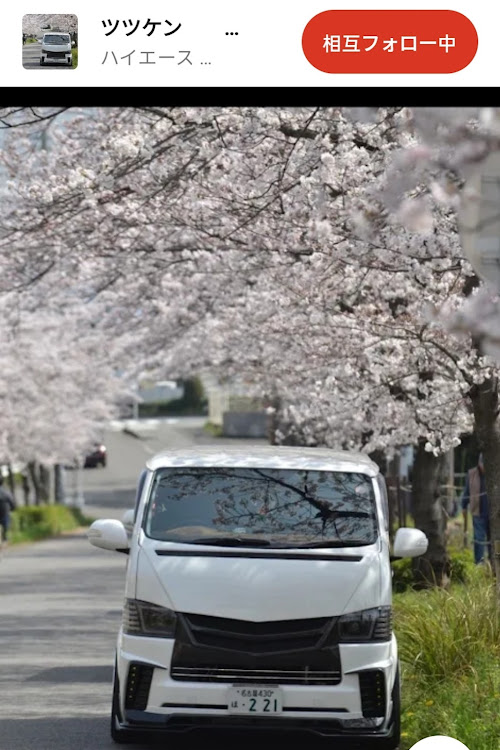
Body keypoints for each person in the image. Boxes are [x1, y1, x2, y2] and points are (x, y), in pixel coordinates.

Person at [461, 453, 492, 564]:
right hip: (478, 511)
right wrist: (463, 505)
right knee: (479, 540)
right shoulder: (472, 474)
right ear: (479, 463)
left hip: (493, 513)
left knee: (493, 540)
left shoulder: (495, 471)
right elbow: (466, 491)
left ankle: (494, 563)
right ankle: (479, 563)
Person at [0, 475, 16, 546]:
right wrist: (13, 509)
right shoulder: (6, 492)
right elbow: (12, 502)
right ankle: (4, 540)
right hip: (4, 513)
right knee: (5, 527)